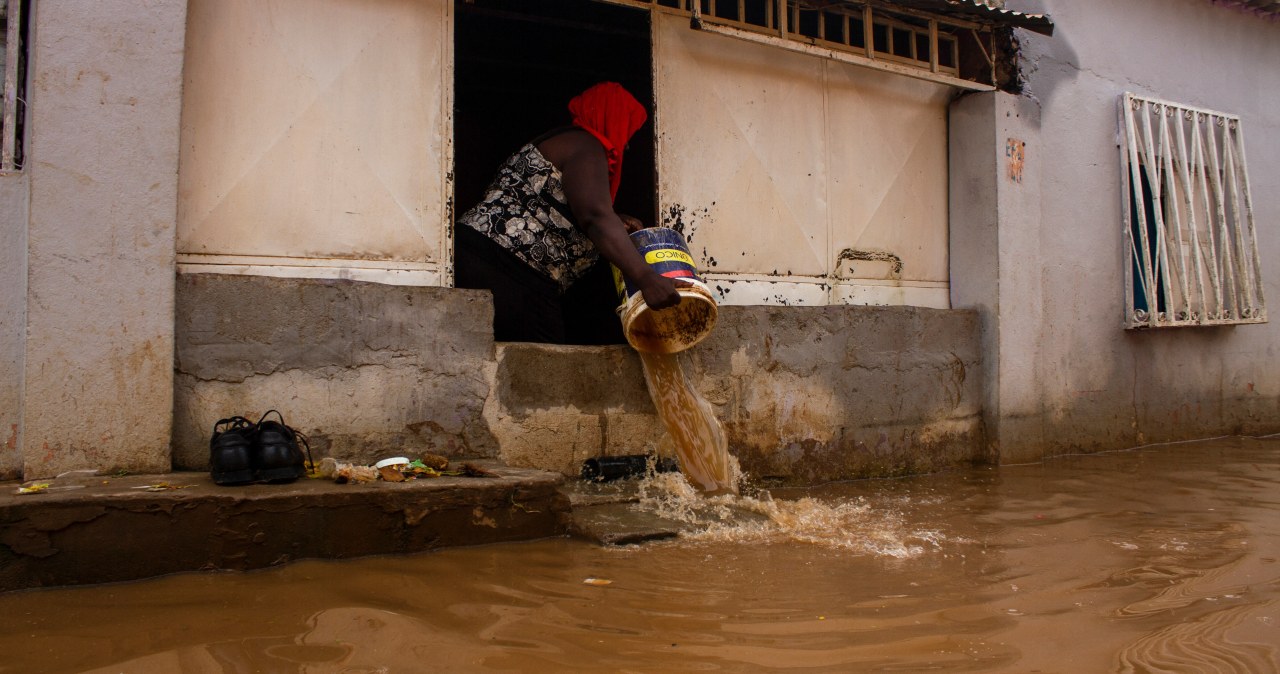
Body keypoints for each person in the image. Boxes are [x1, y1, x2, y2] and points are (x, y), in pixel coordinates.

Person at [455, 82, 683, 343]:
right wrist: (647, 278)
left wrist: (614, 218)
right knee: (543, 371)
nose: (628, 145)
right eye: (627, 130)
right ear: (613, 120)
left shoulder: (564, 141)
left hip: (480, 256)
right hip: (511, 271)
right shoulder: (587, 146)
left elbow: (554, 202)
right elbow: (595, 217)